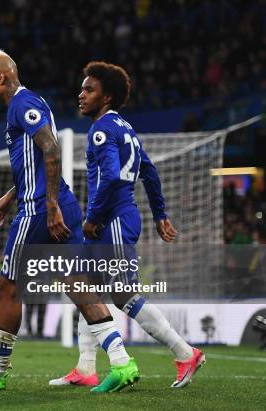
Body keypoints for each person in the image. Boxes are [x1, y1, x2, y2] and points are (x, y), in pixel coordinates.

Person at [0, 50, 139, 393]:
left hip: (39, 210)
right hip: (55, 203)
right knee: (78, 285)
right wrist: (9, 197)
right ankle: (123, 363)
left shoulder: (22, 104)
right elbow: (36, 161)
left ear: (2, 78)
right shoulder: (28, 105)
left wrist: (49, 206)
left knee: (7, 286)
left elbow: (51, 149)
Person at [49, 61, 205, 389]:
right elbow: (148, 171)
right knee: (82, 286)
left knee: (124, 296)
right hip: (117, 216)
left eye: (89, 89)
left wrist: (92, 217)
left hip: (113, 219)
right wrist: (160, 214)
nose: (81, 94)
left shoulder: (102, 128)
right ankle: (85, 367)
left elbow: (109, 176)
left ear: (107, 97)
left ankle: (185, 352)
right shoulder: (126, 128)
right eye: (82, 88)